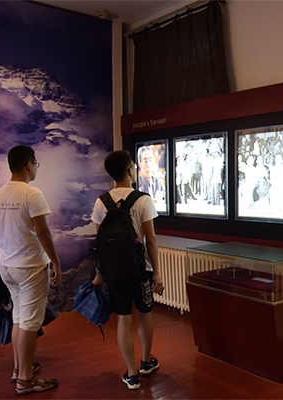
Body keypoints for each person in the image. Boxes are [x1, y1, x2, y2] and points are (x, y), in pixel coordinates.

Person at [91, 150, 164, 390]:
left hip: (113, 272)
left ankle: (131, 374)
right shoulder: (143, 200)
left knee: (123, 318)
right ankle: (146, 361)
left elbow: (99, 243)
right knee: (144, 313)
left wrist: (100, 272)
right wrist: (157, 272)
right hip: (140, 269)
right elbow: (151, 239)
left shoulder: (101, 202)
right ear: (130, 170)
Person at [0, 145, 61, 395]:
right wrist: (56, 261)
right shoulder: (32, 193)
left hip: (7, 266)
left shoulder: (0, 193)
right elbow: (43, 232)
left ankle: (18, 368)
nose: (36, 169)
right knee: (30, 323)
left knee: (19, 317)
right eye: (36, 164)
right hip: (30, 266)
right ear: (29, 165)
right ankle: (25, 380)